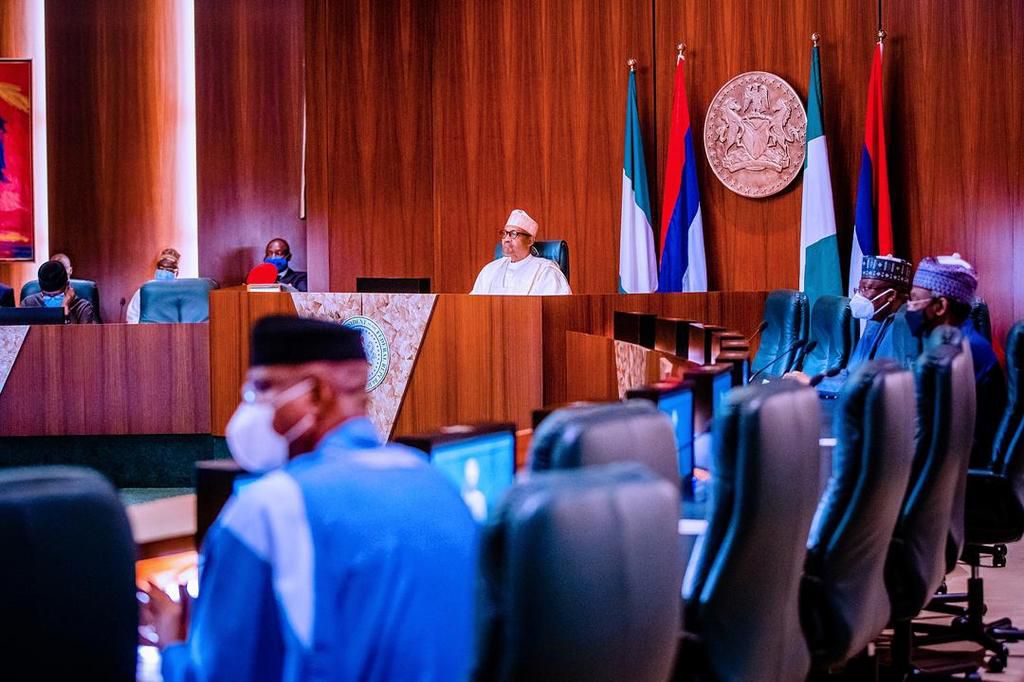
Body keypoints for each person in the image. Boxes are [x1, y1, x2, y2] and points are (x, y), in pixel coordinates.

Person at [142, 316, 478, 681]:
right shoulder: (438, 484)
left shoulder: (269, 509)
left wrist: (172, 644)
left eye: (262, 388)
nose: (250, 408)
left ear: (315, 394)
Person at [908, 254, 1006, 467]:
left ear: (940, 306)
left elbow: (929, 435)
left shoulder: (958, 352)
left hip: (968, 471)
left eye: (915, 300)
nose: (910, 307)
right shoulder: (958, 341)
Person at [470, 209, 572, 295]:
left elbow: (558, 309)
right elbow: (473, 305)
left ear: (530, 240)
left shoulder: (546, 271)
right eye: (504, 233)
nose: (506, 239)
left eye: (513, 234)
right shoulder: (490, 270)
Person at [20, 260, 97, 324]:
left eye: (57, 295)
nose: (52, 299)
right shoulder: (28, 304)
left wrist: (65, 309)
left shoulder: (83, 307)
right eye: (47, 296)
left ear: (67, 286)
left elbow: (81, 339)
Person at [126, 248, 180, 324]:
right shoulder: (144, 292)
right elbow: (132, 318)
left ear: (176, 273)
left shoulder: (181, 294)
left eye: (168, 269)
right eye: (161, 268)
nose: (163, 272)